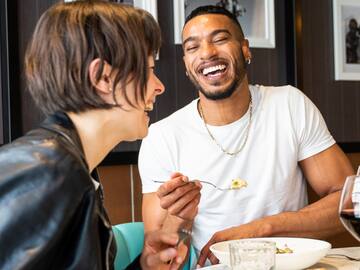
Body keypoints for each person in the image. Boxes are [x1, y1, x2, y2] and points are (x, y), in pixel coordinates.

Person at [138, 5, 354, 267]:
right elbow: (162, 255)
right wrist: (180, 219)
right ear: (186, 64)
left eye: (219, 39)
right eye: (192, 47)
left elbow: (348, 201)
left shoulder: (289, 105)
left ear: (245, 48)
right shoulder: (162, 137)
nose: (207, 53)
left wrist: (261, 231)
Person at [0, 1, 192, 269]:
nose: (159, 87)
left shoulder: (69, 168)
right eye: (148, 70)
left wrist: (144, 267)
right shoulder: (49, 173)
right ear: (103, 77)